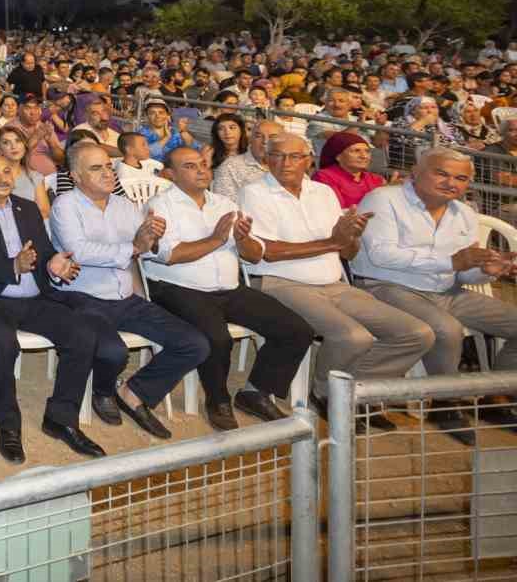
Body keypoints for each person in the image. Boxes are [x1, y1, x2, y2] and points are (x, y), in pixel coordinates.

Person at [238, 134, 433, 431]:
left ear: (309, 160)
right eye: (276, 155)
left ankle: (354, 391)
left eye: (294, 156)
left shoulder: (324, 192)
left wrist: (351, 237)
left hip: (335, 283)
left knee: (417, 332)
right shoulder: (255, 192)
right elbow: (268, 251)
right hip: (281, 282)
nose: (285, 162)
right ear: (267, 159)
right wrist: (332, 241)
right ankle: (327, 393)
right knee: (354, 337)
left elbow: (346, 251)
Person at [141, 147, 315, 431]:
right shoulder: (159, 206)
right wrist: (217, 238)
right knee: (217, 339)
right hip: (177, 287)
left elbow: (253, 253)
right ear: (170, 174)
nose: (201, 170)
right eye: (190, 166)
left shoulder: (224, 203)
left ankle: (255, 392)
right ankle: (217, 399)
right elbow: (170, 255)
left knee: (296, 330)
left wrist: (243, 239)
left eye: (203, 164)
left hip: (229, 289)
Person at [352, 149, 517, 441]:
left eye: (461, 178)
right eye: (442, 173)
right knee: (446, 329)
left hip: (447, 289)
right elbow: (382, 256)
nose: (451, 182)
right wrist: (453, 262)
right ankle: (445, 403)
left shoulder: (464, 213)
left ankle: (498, 398)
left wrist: (489, 270)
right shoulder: (383, 198)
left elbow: (465, 274)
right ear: (416, 171)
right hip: (387, 286)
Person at [48, 142, 209, 440]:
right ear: (75, 175)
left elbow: (145, 250)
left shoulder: (124, 205)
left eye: (109, 166)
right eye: (97, 168)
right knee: (113, 352)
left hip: (125, 296)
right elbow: (79, 251)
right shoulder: (65, 205)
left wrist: (154, 240)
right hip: (82, 297)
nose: (108, 173)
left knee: (195, 343)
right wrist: (135, 246)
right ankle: (102, 390)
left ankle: (134, 392)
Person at [0, 153, 105, 463]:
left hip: (34, 297)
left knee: (83, 334)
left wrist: (54, 265)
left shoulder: (29, 208)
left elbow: (45, 252)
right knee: (3, 344)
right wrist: (13, 265)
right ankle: (9, 426)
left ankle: (61, 418)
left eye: (7, 171)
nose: (3, 178)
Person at [311, 131, 386, 209]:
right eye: (356, 151)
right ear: (338, 156)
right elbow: (334, 210)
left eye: (367, 151)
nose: (364, 156)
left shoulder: (377, 179)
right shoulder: (324, 177)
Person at [213, 119, 283, 200]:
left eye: (273, 137)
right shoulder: (230, 167)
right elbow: (224, 207)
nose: (265, 141)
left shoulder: (291, 165)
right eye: (258, 136)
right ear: (250, 139)